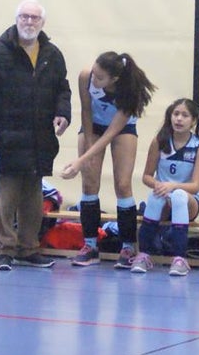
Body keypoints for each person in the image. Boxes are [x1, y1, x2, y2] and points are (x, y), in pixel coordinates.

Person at [0, 0, 71, 271]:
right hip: (8, 136)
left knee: (34, 196)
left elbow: (62, 89)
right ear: (16, 19)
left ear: (42, 22)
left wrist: (63, 113)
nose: (29, 22)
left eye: (34, 18)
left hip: (40, 138)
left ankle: (29, 247)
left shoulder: (52, 55)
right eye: (24, 17)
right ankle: (5, 249)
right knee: (7, 195)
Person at [59, 51, 155, 269]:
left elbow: (112, 133)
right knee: (89, 182)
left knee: (122, 184)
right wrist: (87, 151)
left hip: (119, 129)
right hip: (93, 124)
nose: (94, 79)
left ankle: (129, 246)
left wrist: (80, 160)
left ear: (114, 79)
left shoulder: (129, 92)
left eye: (100, 78)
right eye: (94, 73)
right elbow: (85, 109)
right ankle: (91, 245)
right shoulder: (86, 76)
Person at [130, 97, 199, 277]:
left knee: (178, 195)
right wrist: (159, 185)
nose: (179, 119)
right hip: (163, 200)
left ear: (193, 121)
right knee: (155, 196)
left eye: (185, 115)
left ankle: (180, 259)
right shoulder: (160, 141)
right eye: (176, 114)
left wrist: (172, 186)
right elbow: (146, 177)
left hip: (188, 201)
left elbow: (195, 186)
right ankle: (144, 255)